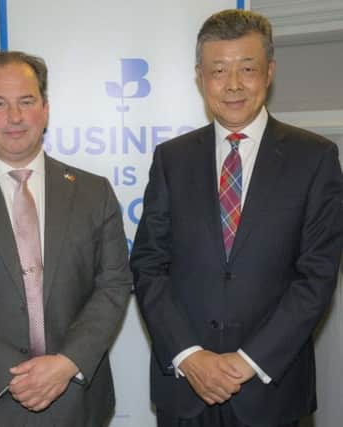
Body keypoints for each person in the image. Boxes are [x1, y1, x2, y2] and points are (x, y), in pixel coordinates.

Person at [130, 9, 343, 427]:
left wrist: (249, 361)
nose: (232, 85)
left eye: (247, 69)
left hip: (271, 388)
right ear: (199, 77)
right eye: (218, 70)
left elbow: (316, 276)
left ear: (269, 72)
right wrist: (190, 356)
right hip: (185, 390)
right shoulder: (171, 159)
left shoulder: (315, 158)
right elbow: (149, 264)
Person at [0, 50, 132, 426]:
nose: (15, 117)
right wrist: (13, 374)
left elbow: (113, 285)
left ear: (45, 110)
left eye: (26, 101)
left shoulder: (94, 193)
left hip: (76, 400)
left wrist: (65, 364)